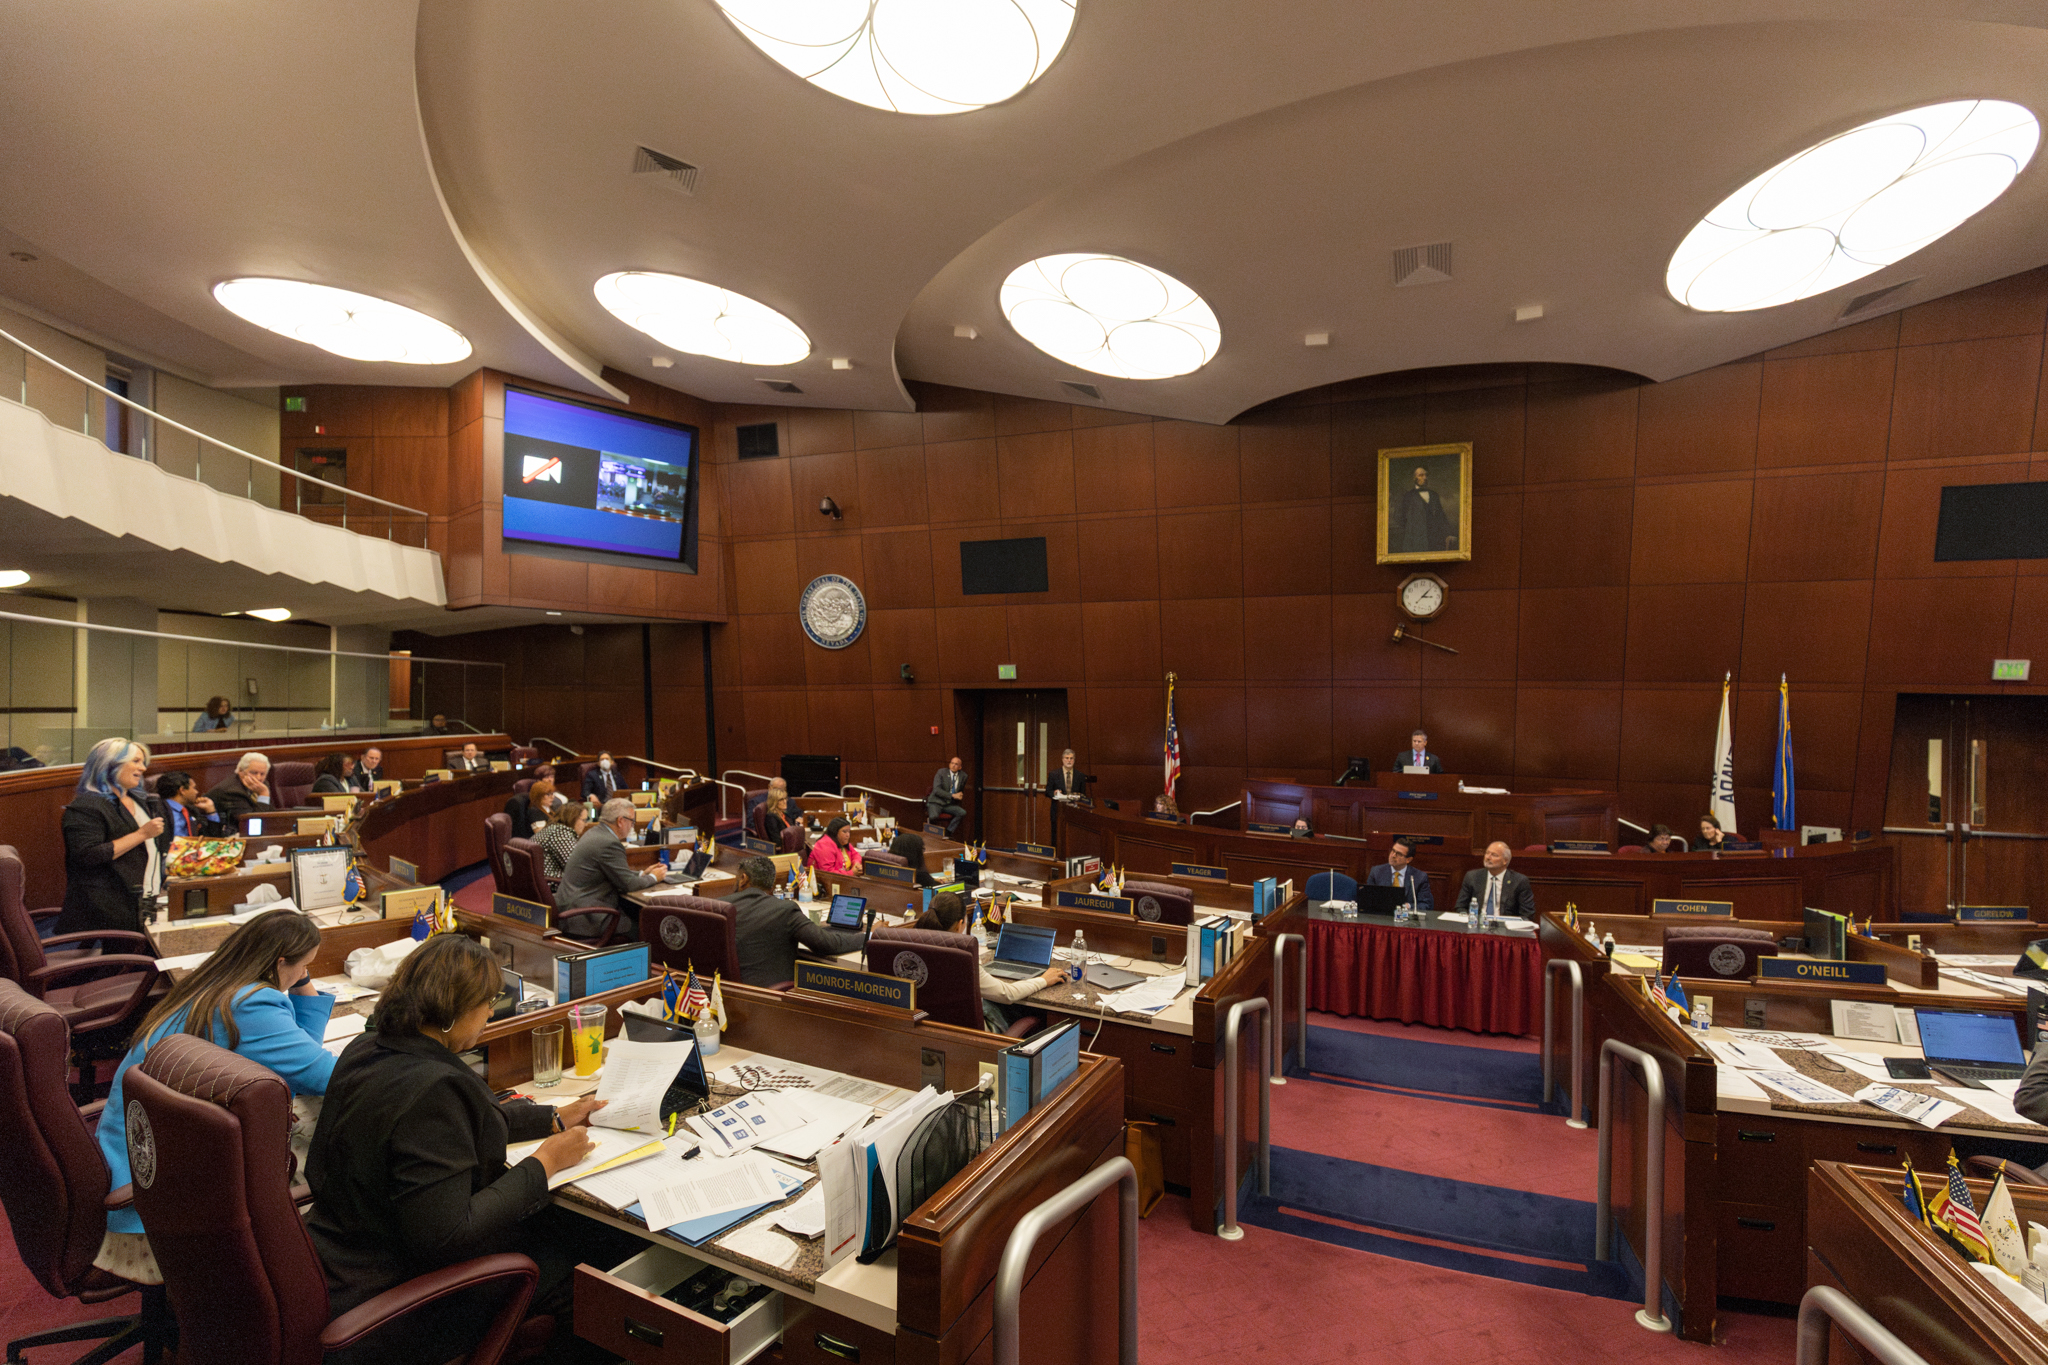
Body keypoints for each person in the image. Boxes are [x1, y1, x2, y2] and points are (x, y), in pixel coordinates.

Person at [305, 933, 628, 1365]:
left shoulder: (369, 1048)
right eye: (487, 1000)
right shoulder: (436, 1088)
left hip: (342, 1256)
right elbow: (448, 1236)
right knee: (590, 1274)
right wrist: (544, 1163)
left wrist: (554, 1117)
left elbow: (461, 1122)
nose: (492, 1011)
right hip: (400, 1293)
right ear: (453, 1011)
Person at [93, 909, 334, 1283]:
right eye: (303, 966)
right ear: (279, 962)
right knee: (334, 1130)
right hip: (157, 1207)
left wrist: (300, 979)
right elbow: (321, 1075)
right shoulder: (250, 1003)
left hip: (133, 1165)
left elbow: (299, 1055)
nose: (303, 975)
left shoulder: (213, 984)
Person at [57, 738, 164, 935]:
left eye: (143, 762)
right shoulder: (86, 806)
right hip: (110, 906)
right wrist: (141, 834)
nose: (143, 768)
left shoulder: (137, 799)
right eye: (136, 761)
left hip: (144, 897)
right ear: (110, 765)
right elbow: (87, 855)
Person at [916, 892, 1068, 1031]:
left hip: (927, 1029)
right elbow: (1007, 994)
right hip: (977, 1037)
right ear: (959, 924)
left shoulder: (913, 949)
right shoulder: (962, 958)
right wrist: (1043, 980)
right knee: (1033, 1015)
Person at [725, 854, 868, 987]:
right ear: (771, 883)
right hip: (768, 999)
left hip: (719, 994)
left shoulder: (717, 906)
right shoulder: (784, 909)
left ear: (743, 878)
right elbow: (827, 944)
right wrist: (869, 936)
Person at [554, 796, 659, 938]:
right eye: (632, 821)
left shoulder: (594, 833)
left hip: (572, 908)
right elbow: (629, 885)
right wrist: (654, 877)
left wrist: (642, 874)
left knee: (633, 911)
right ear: (620, 821)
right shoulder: (609, 843)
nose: (632, 826)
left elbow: (613, 872)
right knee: (647, 930)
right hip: (587, 918)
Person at [1454, 842, 1536, 921]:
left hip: (1506, 928)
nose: (1488, 857)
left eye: (1494, 855)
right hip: (1477, 924)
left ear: (1505, 861)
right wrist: (1469, 918)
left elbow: (1527, 914)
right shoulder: (1472, 876)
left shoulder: (1519, 881)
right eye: (1487, 853)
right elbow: (1460, 906)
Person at [1389, 462, 1452, 554]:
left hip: (1435, 541)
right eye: (1421, 475)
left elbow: (1441, 516)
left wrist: (1448, 534)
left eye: (1426, 475)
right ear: (1414, 478)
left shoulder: (1434, 495)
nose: (1425, 478)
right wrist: (1412, 530)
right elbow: (1399, 517)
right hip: (1416, 541)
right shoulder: (1408, 496)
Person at [1365, 837, 1435, 914]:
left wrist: (1408, 906)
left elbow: (1426, 905)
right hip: (1382, 918)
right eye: (1393, 851)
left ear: (1408, 859)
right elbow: (1368, 901)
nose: (1393, 855)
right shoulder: (1376, 872)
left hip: (1407, 921)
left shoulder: (1420, 877)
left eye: (1399, 854)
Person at [154, 770, 228, 841]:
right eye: (194, 788)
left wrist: (210, 811)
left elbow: (214, 839)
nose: (197, 792)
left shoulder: (191, 810)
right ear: (182, 790)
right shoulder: (157, 811)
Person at [205, 752, 272, 821]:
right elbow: (252, 823)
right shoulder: (232, 791)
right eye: (254, 773)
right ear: (240, 771)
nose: (258, 778)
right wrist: (263, 795)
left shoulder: (262, 785)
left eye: (262, 774)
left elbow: (272, 813)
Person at [538, 800, 589, 882]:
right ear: (573, 819)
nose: (586, 824)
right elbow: (577, 867)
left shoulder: (554, 829)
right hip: (554, 884)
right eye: (584, 820)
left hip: (546, 881)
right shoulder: (560, 834)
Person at [927, 757, 967, 838]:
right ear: (949, 764)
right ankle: (933, 835)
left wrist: (959, 795)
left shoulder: (963, 776)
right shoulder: (941, 772)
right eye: (952, 763)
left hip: (949, 804)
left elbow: (960, 789)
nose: (953, 765)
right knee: (933, 816)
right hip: (936, 801)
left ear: (960, 767)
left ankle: (948, 833)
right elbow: (936, 790)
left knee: (962, 812)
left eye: (956, 764)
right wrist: (952, 796)